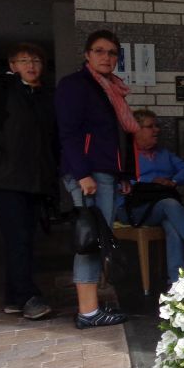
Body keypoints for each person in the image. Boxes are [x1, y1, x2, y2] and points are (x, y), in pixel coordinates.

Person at [0, 42, 57, 320]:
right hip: (4, 180)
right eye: (24, 61)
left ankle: (14, 298)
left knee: (24, 238)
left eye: (36, 61)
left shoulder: (44, 95)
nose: (31, 66)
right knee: (18, 237)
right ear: (12, 65)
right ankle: (28, 296)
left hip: (34, 180)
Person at [56, 29, 136, 329]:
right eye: (100, 51)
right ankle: (88, 312)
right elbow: (68, 133)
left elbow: (118, 138)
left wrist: (123, 174)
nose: (106, 57)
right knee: (90, 239)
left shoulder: (111, 88)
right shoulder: (75, 85)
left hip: (106, 174)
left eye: (112, 53)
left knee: (97, 237)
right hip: (88, 174)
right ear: (87, 55)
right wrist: (82, 174)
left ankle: (91, 307)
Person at [122, 109, 184, 281]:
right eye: (150, 126)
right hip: (134, 208)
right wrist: (150, 182)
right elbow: (117, 182)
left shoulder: (163, 153)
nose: (157, 130)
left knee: (172, 223)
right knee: (170, 204)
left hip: (160, 207)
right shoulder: (125, 155)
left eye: (157, 126)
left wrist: (173, 181)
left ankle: (176, 280)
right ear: (136, 130)